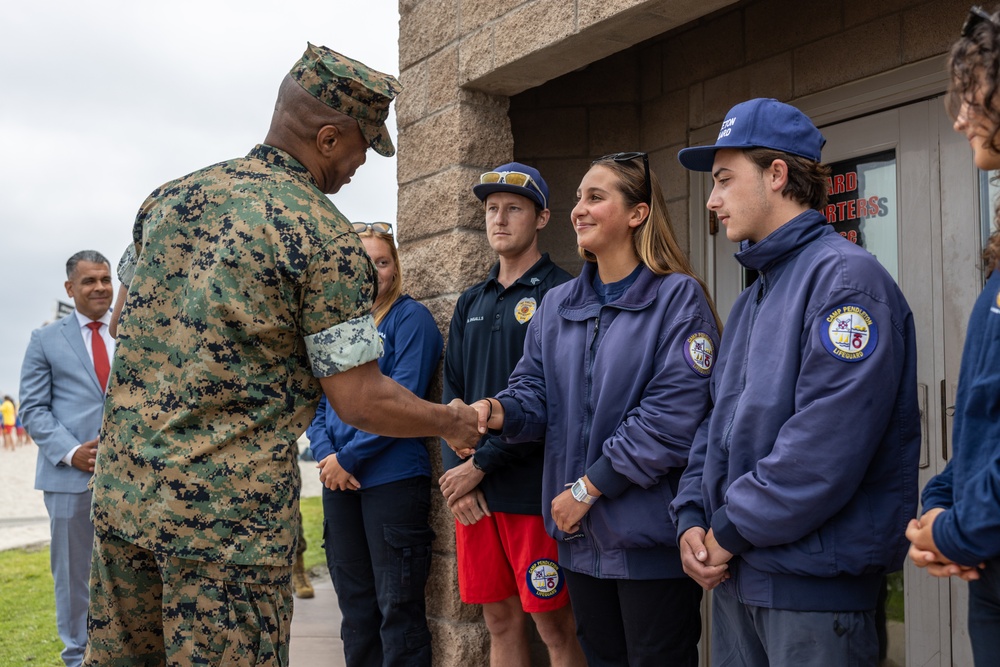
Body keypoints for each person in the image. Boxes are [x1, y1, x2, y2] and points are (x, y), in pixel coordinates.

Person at [84, 44, 484, 666]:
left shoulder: (167, 200)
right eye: (362, 148)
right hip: (226, 534)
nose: (358, 166)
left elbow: (126, 322)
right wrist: (450, 420)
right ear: (329, 138)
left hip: (123, 507)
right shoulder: (323, 236)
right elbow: (360, 399)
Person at [670, 98, 921, 666]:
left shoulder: (845, 282)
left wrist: (726, 530)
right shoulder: (757, 291)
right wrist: (690, 515)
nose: (712, 200)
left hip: (812, 591)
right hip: (740, 577)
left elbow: (823, 449)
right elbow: (715, 421)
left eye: (725, 180)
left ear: (777, 175)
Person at [455, 153, 720, 666]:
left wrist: (586, 488)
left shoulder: (677, 298)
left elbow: (670, 420)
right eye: (578, 198)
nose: (579, 209)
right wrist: (491, 410)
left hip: (648, 545)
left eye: (595, 197)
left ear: (637, 213)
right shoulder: (559, 306)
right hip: (580, 545)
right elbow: (532, 393)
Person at [438, 163, 583, 666]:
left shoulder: (562, 294)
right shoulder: (470, 301)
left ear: (542, 217)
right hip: (475, 497)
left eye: (514, 209)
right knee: (498, 622)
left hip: (533, 490)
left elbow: (557, 402)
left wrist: (480, 465)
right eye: (491, 209)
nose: (499, 220)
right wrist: (457, 478)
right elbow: (451, 395)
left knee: (555, 625)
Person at [908, 6, 1000, 664]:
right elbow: (982, 412)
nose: (960, 116)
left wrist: (959, 527)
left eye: (971, 95)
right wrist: (937, 508)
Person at [307, 221, 441, 666]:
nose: (373, 272)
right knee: (356, 612)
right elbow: (320, 403)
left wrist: (346, 457)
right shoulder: (341, 328)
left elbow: (402, 401)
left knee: (396, 611)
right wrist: (327, 456)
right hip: (338, 484)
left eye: (381, 262)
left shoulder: (412, 320)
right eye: (363, 263)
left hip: (391, 479)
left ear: (395, 267)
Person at [19, 250, 113, 667]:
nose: (100, 288)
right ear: (70, 288)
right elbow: (33, 409)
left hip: (132, 481)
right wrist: (72, 452)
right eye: (90, 281)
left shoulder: (131, 332)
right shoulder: (45, 339)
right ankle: (77, 659)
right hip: (69, 479)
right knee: (74, 579)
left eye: (106, 279)